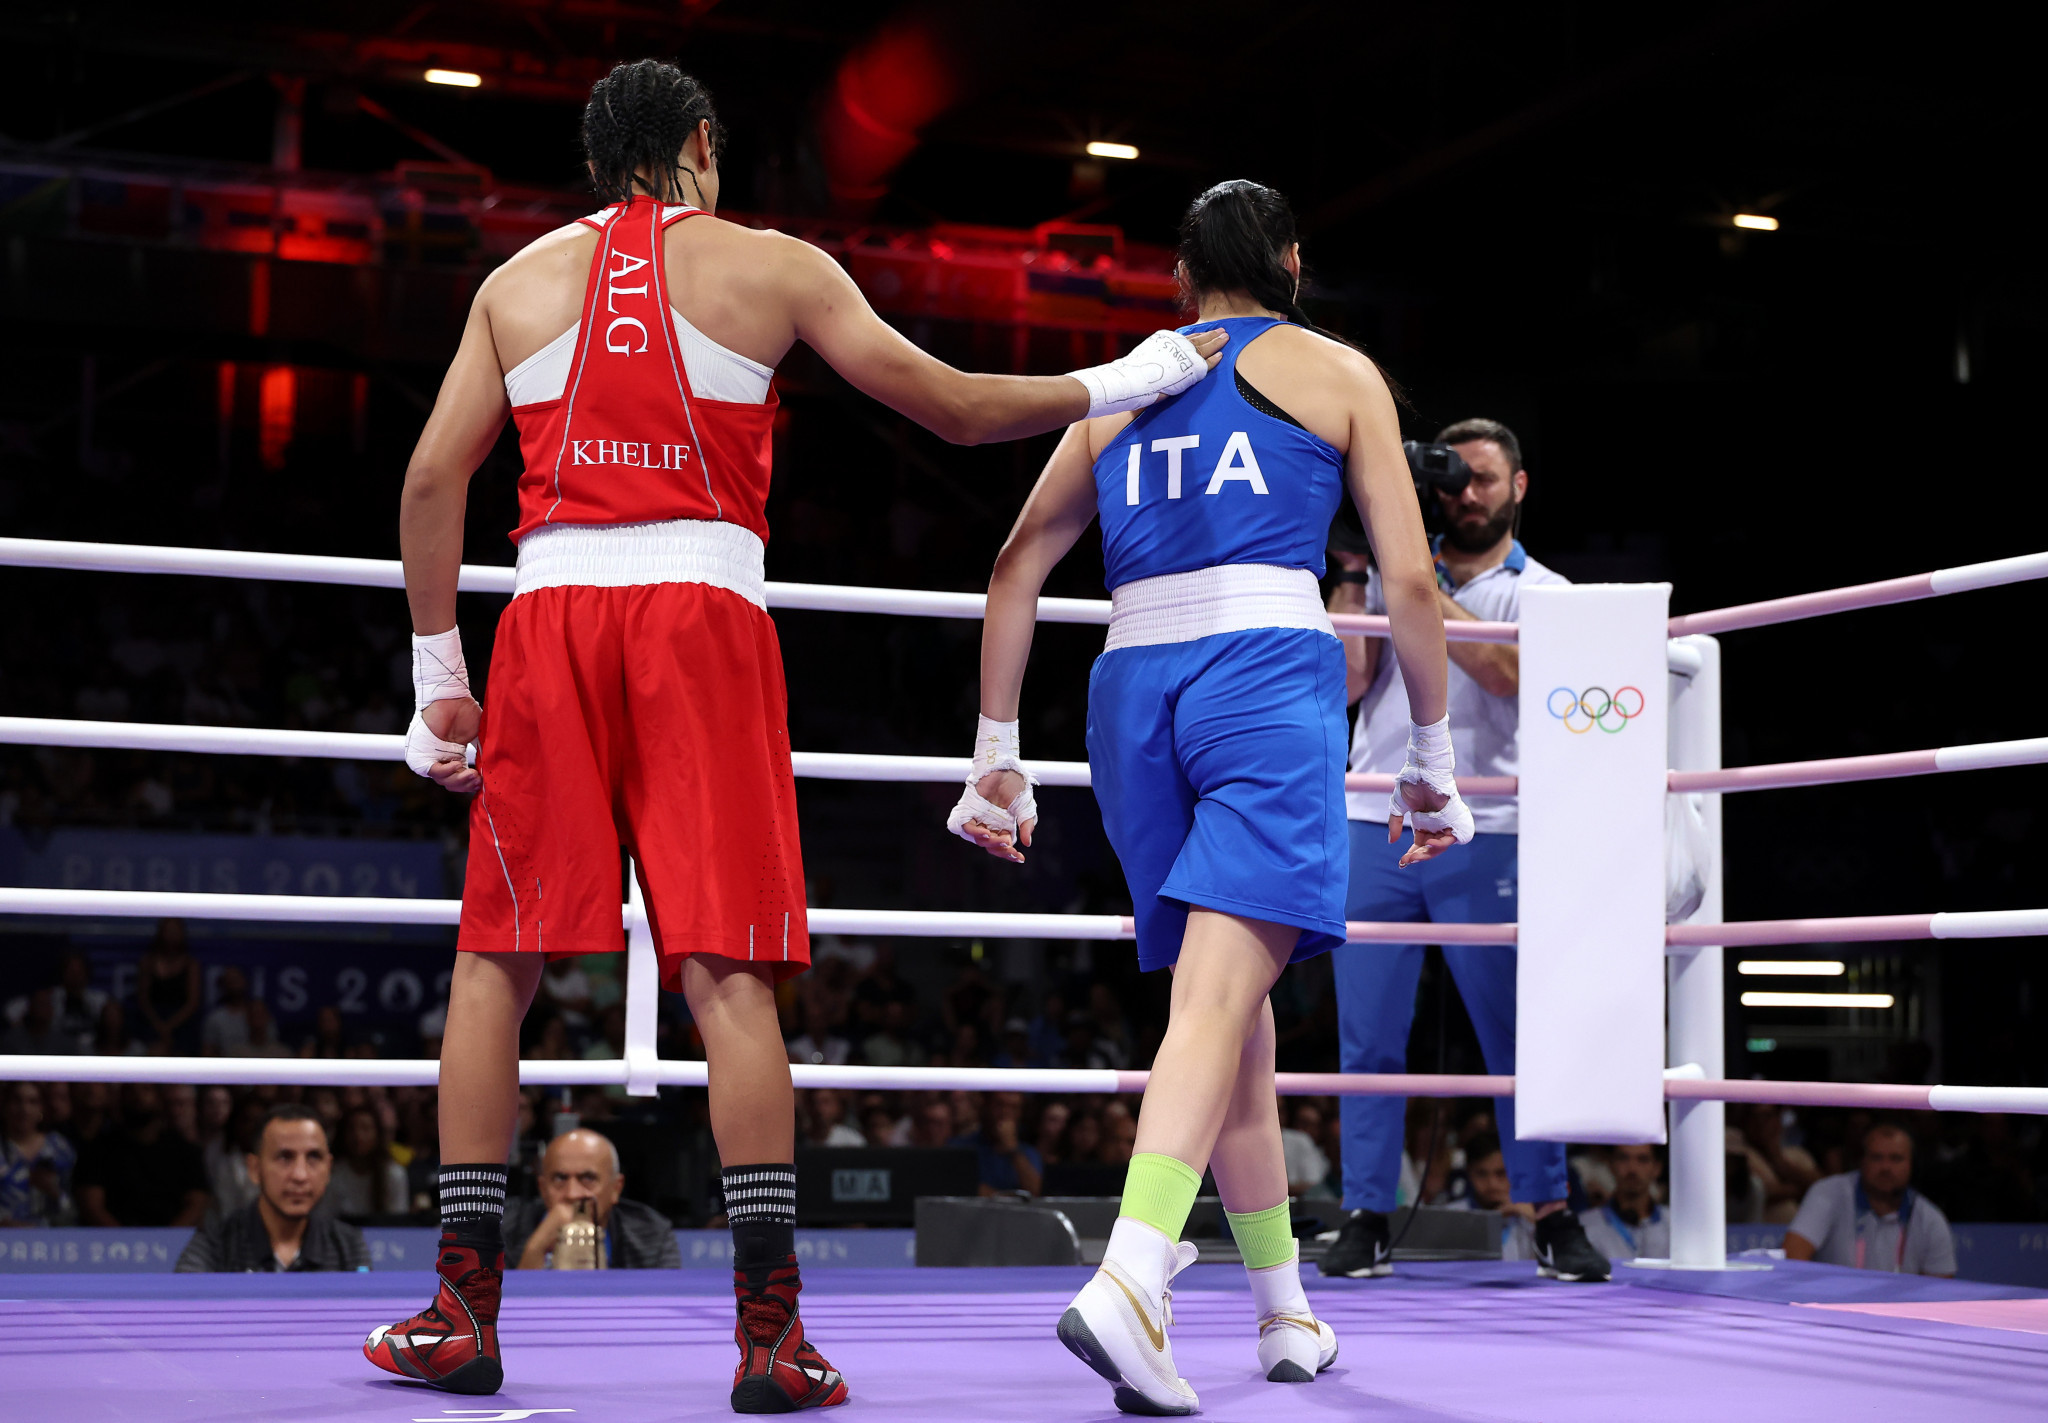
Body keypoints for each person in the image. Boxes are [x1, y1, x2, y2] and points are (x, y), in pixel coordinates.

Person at [366, 58, 1222, 1410]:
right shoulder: (772, 265)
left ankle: (460, 1314)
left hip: (546, 617)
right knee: (727, 968)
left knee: (498, 957)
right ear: (702, 147)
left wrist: (437, 676)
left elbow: (428, 477)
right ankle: (769, 1334)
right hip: (700, 618)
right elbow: (949, 403)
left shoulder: (510, 283)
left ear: (601, 163)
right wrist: (1121, 377)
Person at [949, 178, 1471, 1411]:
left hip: (1128, 694)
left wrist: (993, 750)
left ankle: (1283, 1310)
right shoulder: (1338, 371)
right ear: (1288, 259)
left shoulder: (1127, 381)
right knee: (1217, 998)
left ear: (1182, 279)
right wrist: (1433, 763)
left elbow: (1015, 560)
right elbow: (1405, 580)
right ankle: (1130, 1278)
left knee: (1228, 1009)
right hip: (1259, 679)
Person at [1319, 417, 1610, 1286]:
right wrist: (1357, 570)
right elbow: (1346, 684)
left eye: (1485, 478)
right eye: (1452, 481)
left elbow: (1508, 679)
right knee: (1366, 1039)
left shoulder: (1544, 592)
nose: (1467, 494)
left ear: (1518, 487)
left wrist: (1417, 583)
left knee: (1512, 1036)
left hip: (1491, 829)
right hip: (1377, 816)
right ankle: (1366, 1211)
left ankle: (1550, 1212)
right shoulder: (1381, 578)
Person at [176, 1104, 369, 1272]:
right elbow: (183, 1307)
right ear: (254, 1168)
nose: (300, 1175)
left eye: (313, 1157)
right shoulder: (214, 1245)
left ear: (328, 1168)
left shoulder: (348, 1246)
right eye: (285, 1157)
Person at [1785, 1124, 1956, 1277]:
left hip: (1897, 1310)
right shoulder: (1828, 1193)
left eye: (1896, 1158)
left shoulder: (1930, 1219)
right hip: (1834, 1306)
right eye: (1877, 1157)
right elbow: (1793, 1255)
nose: (1886, 1167)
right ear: (1862, 1161)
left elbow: (1940, 1289)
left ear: (1912, 1164)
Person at [504, 1128, 681, 1270]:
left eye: (588, 1179)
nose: (572, 1194)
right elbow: (497, 1309)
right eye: (560, 1179)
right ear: (542, 1188)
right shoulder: (505, 1231)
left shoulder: (652, 1233)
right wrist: (536, 1249)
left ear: (616, 1188)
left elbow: (667, 1302)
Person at [72, 1082, 209, 1227]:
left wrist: (167, 1241)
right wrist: (129, 1242)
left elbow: (197, 1204)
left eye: (146, 1089)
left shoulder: (185, 1151)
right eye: (130, 1090)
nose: (138, 1096)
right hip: (114, 1243)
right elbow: (91, 1206)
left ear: (159, 1098)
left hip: (176, 1241)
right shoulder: (97, 1149)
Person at [2, 1081, 77, 1226]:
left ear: (41, 1108)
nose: (24, 1109)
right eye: (17, 1101)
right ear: (5, 1106)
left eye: (33, 1102)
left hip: (53, 1239)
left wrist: (53, 1191)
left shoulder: (59, 1147)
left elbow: (75, 1209)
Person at [1581, 1143, 1669, 1261]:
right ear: (1610, 1164)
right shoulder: (1584, 1226)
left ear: (1657, 1168)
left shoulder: (1677, 1226)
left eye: (1642, 1160)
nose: (1632, 1169)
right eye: (1623, 1158)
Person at [328, 1105, 409, 1218]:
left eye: (365, 1129)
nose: (358, 1136)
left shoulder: (393, 1173)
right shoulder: (333, 1173)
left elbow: (399, 1220)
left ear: (377, 1134)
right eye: (352, 1129)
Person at [135, 918, 201, 1056]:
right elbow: (143, 999)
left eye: (175, 931)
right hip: (153, 1021)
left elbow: (192, 1003)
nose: (171, 935)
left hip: (182, 1022)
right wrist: (159, 1025)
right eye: (168, 930)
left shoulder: (191, 964)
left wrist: (169, 1026)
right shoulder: (148, 962)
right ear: (160, 933)